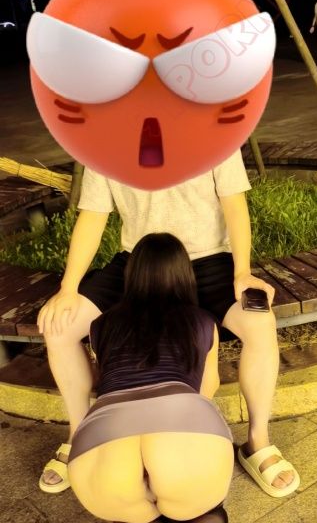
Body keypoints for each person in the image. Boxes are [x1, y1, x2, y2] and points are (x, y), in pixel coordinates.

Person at [37, 150, 300, 501]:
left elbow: (235, 205)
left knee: (260, 323)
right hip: (139, 262)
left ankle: (257, 442)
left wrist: (242, 272)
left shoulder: (217, 135)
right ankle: (81, 435)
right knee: (59, 327)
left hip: (208, 259)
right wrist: (68, 288)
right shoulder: (104, 141)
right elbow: (93, 216)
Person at [68, 233, 233, 523]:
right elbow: (206, 391)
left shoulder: (101, 325)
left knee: (132, 514)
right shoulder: (202, 322)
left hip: (100, 452)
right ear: (185, 274)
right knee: (202, 508)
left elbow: (105, 380)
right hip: (181, 432)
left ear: (132, 275)